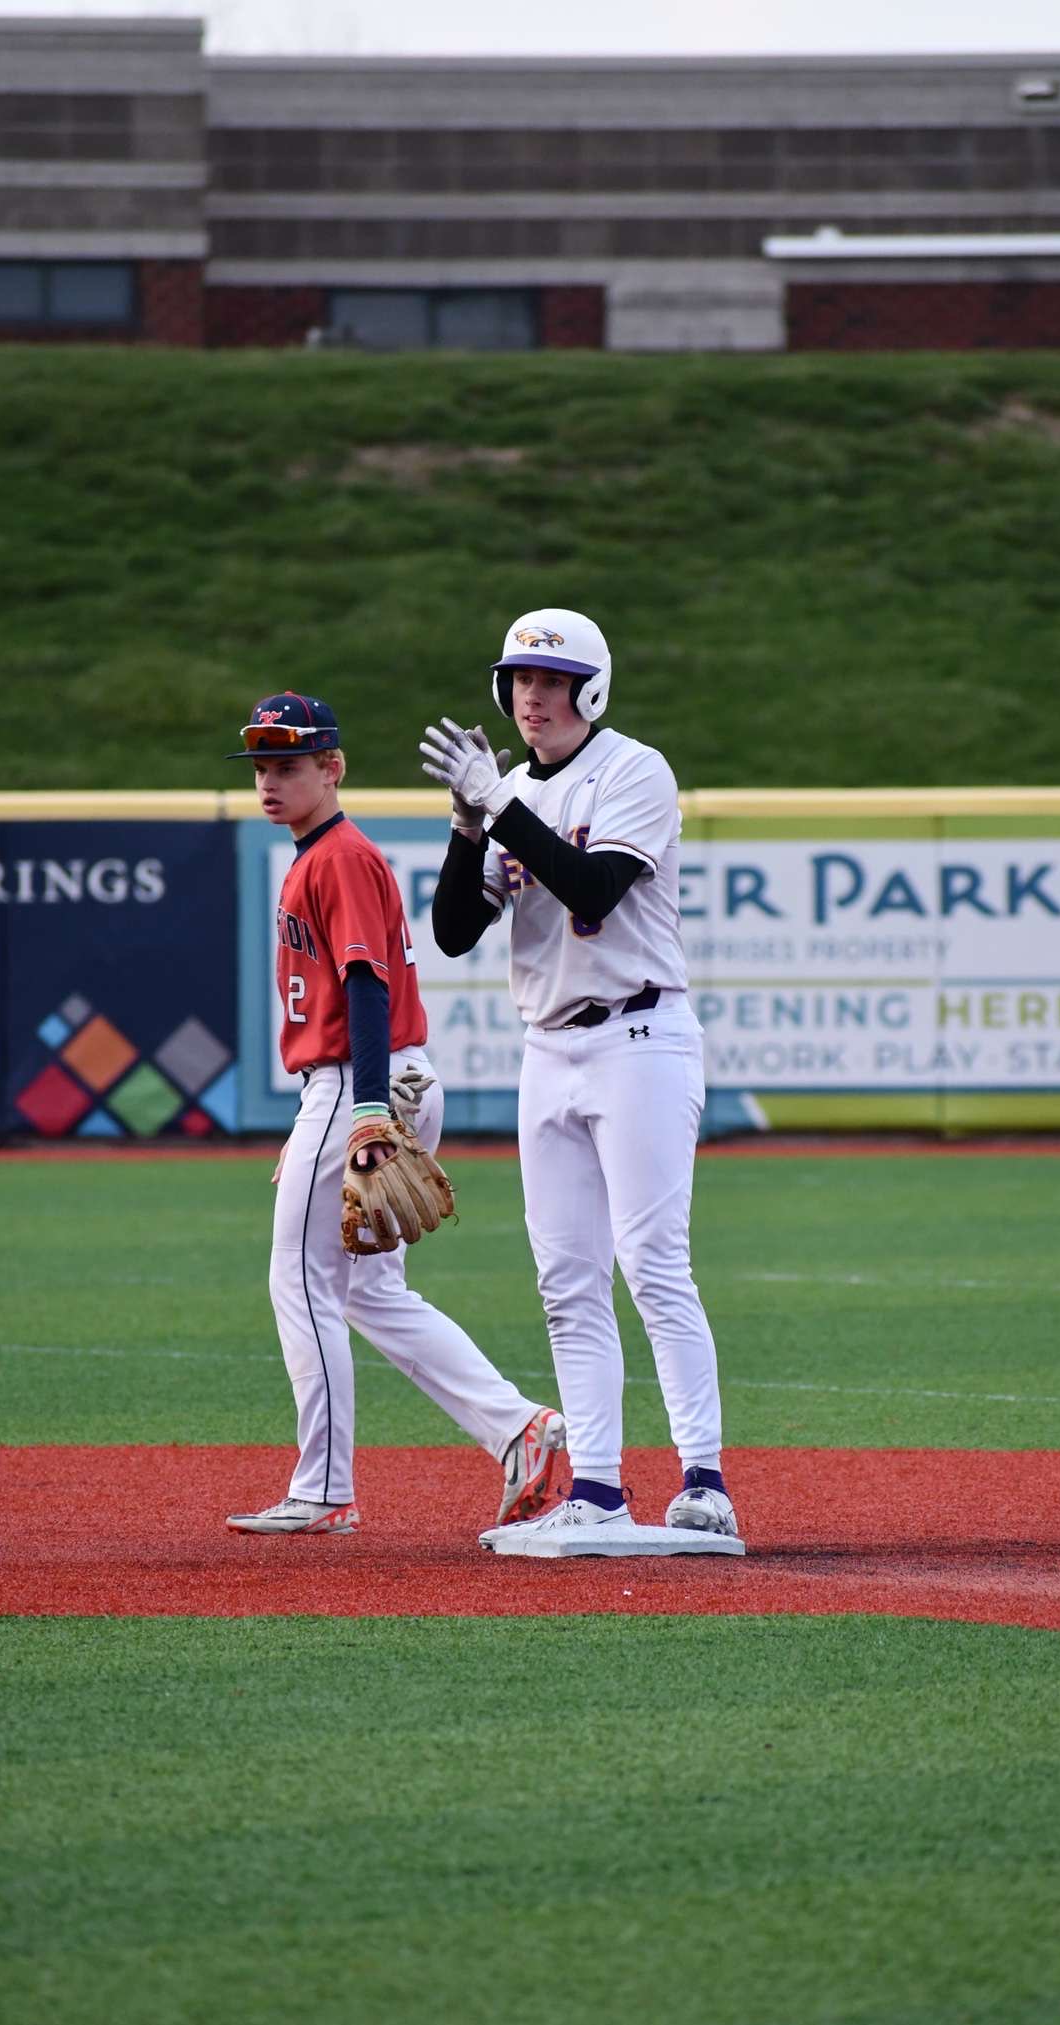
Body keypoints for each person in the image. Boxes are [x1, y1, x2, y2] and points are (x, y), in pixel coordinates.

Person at [422, 612, 737, 1555]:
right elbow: (449, 930)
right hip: (548, 1048)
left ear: (590, 690)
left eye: (551, 680)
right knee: (565, 1281)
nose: (532, 696)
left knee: (652, 1264)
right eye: (518, 678)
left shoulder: (636, 769)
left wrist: (503, 807)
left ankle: (706, 1483)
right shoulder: (509, 786)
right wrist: (468, 821)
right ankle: (598, 1487)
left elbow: (592, 887)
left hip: (639, 1034)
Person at [223, 690, 564, 1536]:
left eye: (289, 765)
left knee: (301, 1281)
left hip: (362, 1082)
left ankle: (324, 1487)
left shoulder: (336, 858)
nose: (271, 781)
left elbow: (366, 988)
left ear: (332, 768)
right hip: (372, 1083)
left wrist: (362, 1113)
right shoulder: (324, 855)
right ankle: (521, 1428)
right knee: (371, 1293)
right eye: (262, 767)